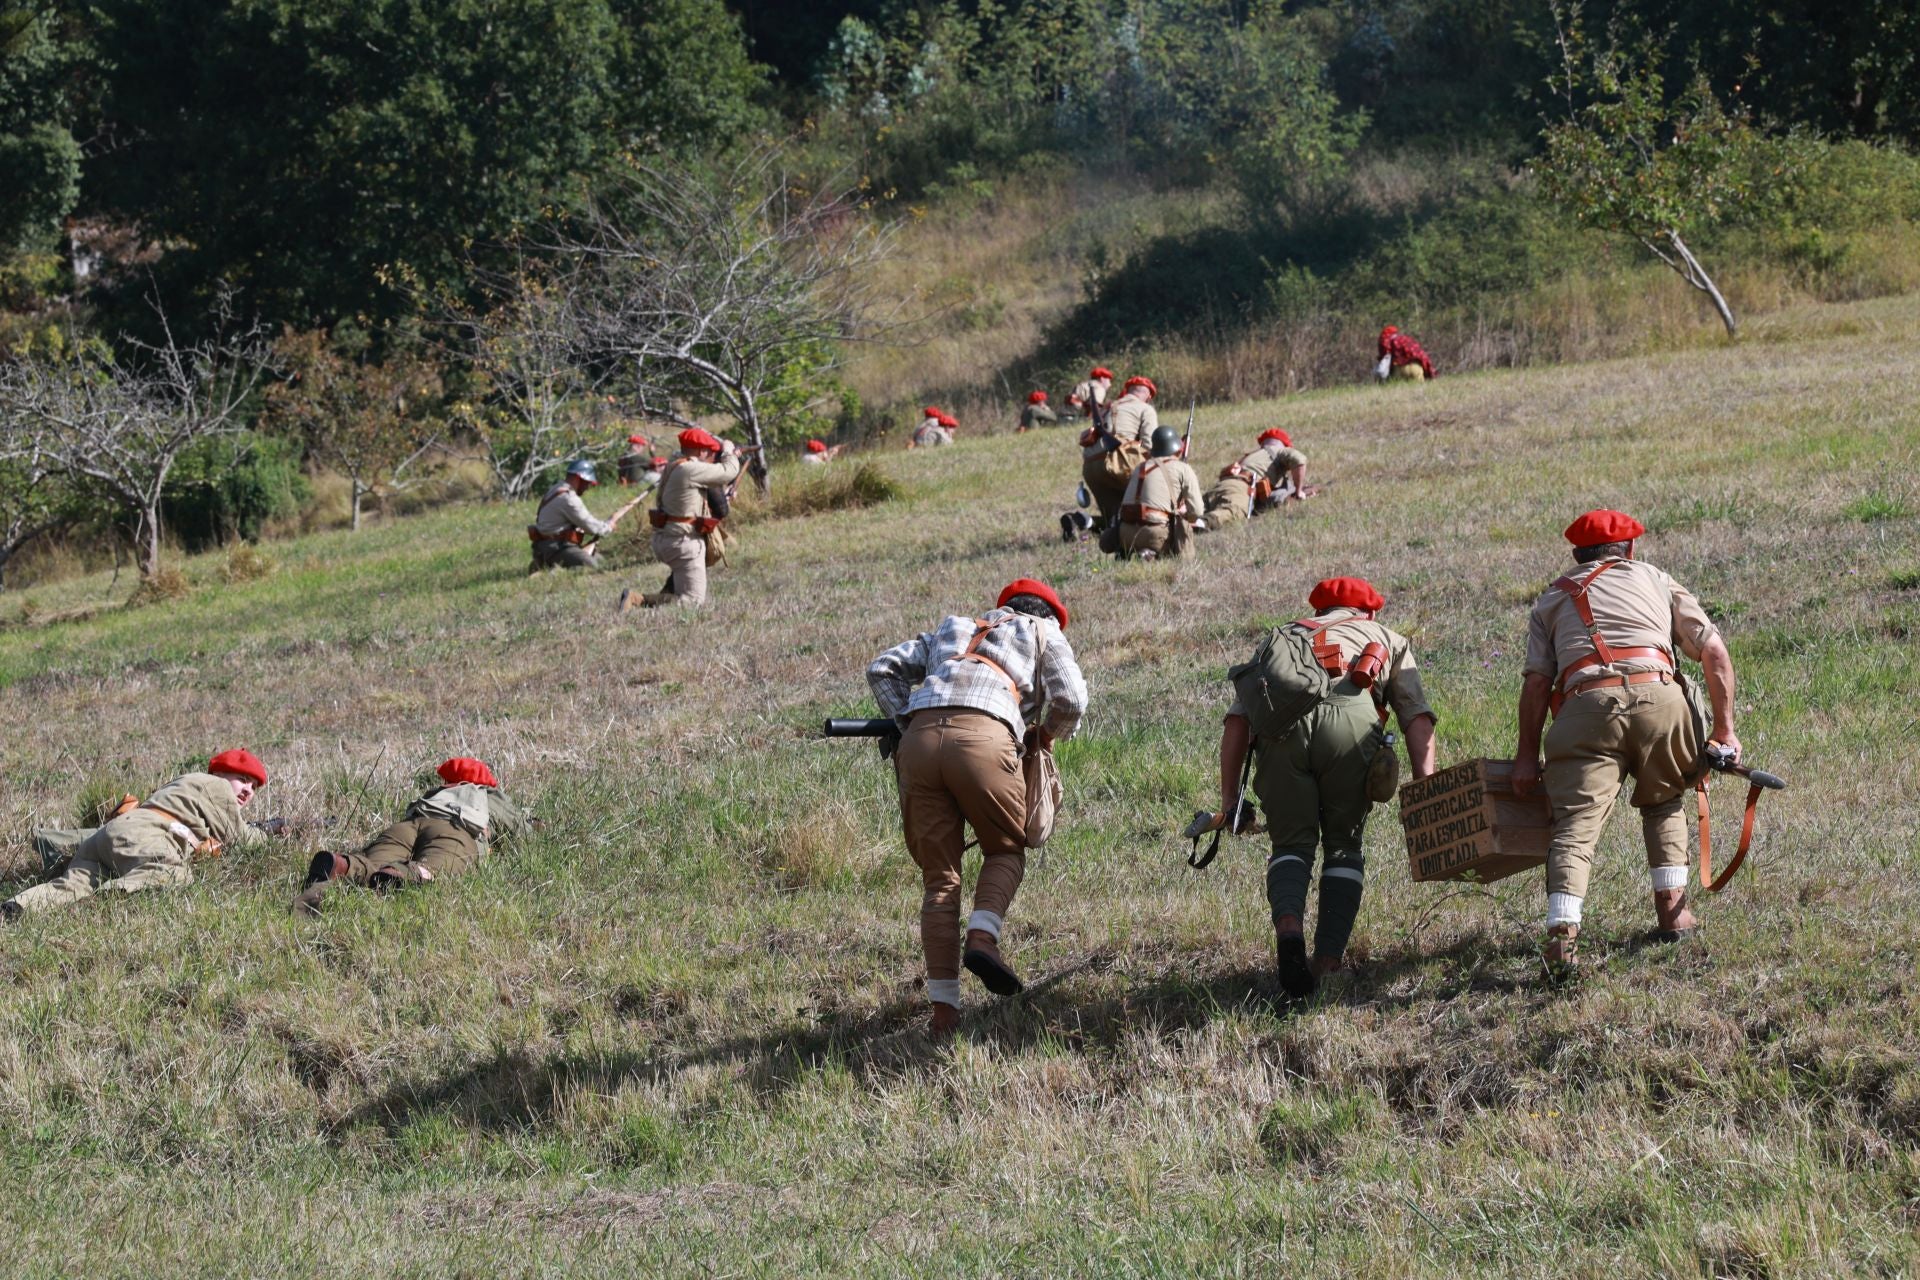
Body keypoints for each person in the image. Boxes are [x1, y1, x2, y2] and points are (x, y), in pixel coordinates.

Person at [1510, 509, 1738, 977]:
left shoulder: (1552, 598)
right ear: (1630, 549)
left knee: (1574, 827)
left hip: (1586, 709)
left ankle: (1562, 939)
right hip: (1660, 701)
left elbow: (1537, 684)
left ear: (1575, 555)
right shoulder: (1656, 579)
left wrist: (1525, 758)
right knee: (1665, 802)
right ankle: (1674, 915)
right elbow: (1713, 651)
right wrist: (1723, 731)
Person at [867, 578, 1089, 1035]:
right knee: (1006, 849)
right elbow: (1071, 698)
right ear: (1049, 615)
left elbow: (882, 668)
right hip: (986, 738)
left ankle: (944, 1015)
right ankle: (984, 937)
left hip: (920, 742)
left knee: (939, 880)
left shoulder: (954, 626)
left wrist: (901, 721)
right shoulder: (1042, 630)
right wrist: (1045, 735)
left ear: (1001, 605)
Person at [1216, 578, 1438, 998]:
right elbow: (1417, 720)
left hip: (1283, 732)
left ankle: (1289, 931)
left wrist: (1231, 800)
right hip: (1351, 725)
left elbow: (1237, 723)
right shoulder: (1385, 636)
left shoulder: (1280, 638)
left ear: (1317, 612)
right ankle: (1328, 962)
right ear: (1367, 614)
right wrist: (1427, 788)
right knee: (1343, 846)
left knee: (1290, 847)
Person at [3, 750, 273, 918]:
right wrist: (269, 833)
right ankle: (95, 908)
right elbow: (243, 841)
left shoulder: (184, 785)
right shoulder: (216, 786)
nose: (248, 790)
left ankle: (17, 906)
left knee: (71, 885)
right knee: (172, 873)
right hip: (145, 835)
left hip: (107, 837)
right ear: (220, 774)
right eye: (243, 779)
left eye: (254, 787)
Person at [294, 757, 528, 913]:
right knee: (437, 867)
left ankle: (343, 865)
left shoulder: (436, 792)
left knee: (371, 863)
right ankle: (405, 873)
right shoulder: (485, 793)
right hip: (454, 830)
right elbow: (519, 829)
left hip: (406, 826)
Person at [622, 428, 745, 611]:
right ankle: (637, 600)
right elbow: (729, 471)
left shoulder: (675, 466)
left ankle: (640, 600)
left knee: (682, 596)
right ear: (701, 451)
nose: (712, 455)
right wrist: (728, 451)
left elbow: (692, 502)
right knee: (693, 603)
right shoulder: (690, 469)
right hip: (683, 543)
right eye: (710, 452)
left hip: (669, 540)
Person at [1114, 425, 1204, 559]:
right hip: (1155, 534)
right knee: (1183, 538)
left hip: (1124, 534)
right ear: (1177, 448)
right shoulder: (1183, 468)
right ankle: (1151, 555)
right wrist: (1183, 513)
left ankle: (1133, 551)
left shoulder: (1140, 467)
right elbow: (1197, 512)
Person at [528, 459, 627, 573]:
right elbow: (591, 526)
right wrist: (608, 526)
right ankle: (554, 570)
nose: (587, 486)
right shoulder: (569, 498)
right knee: (593, 567)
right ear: (577, 477)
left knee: (601, 561)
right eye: (586, 482)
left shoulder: (556, 488)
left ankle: (546, 564)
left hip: (546, 546)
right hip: (556, 548)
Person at [1201, 428, 1310, 530]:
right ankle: (1200, 524)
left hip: (1220, 486)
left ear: (1263, 443)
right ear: (1285, 445)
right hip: (1241, 487)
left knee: (1196, 508)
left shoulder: (1250, 456)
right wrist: (1299, 491)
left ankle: (1187, 520)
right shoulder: (1280, 451)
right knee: (1235, 511)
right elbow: (1299, 460)